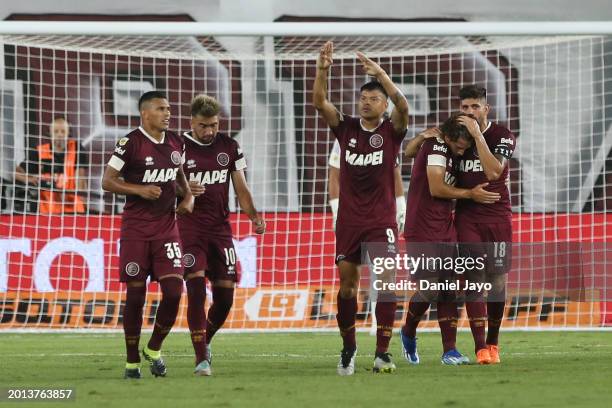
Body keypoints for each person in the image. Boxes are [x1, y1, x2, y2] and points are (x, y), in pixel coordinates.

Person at [313, 40, 409, 375]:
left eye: (373, 98)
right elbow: (320, 102)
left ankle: (382, 352)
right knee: (348, 286)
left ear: (384, 105)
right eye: (363, 98)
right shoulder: (347, 128)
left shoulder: (392, 131)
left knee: (386, 283)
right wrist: (322, 70)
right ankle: (348, 347)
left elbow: (404, 105)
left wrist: (380, 74)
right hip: (350, 221)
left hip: (381, 220)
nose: (366, 102)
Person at [101, 91, 194, 379]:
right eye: (160, 108)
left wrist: (188, 197)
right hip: (136, 232)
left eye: (168, 108)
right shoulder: (130, 144)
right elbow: (107, 181)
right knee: (136, 297)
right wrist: (140, 189)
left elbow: (178, 177)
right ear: (145, 114)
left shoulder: (176, 142)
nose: (168, 113)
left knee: (174, 292)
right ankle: (132, 362)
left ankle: (153, 348)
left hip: (167, 230)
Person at [400, 114, 500, 365]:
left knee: (448, 288)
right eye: (458, 146)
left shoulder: (453, 151)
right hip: (421, 227)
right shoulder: (437, 146)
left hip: (445, 226)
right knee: (431, 288)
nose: (461, 151)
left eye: (464, 148)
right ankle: (408, 329)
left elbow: (409, 152)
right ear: (447, 138)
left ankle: (450, 351)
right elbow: (436, 187)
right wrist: (470, 194)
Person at [178, 94, 265, 376]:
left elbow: (241, 188)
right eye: (203, 126)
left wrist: (254, 216)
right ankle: (201, 357)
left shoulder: (229, 146)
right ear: (192, 121)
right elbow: (162, 185)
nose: (209, 131)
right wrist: (184, 188)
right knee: (194, 291)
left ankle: (205, 340)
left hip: (220, 230)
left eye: (213, 125)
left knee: (225, 297)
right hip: (189, 228)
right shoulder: (176, 147)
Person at [454, 85, 516, 364]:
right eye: (464, 108)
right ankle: (480, 348)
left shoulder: (502, 135)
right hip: (468, 218)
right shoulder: (454, 137)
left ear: (485, 109)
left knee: (498, 281)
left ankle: (493, 342)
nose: (469, 113)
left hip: (498, 217)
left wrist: (478, 134)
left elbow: (493, 171)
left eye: (474, 107)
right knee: (475, 279)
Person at [14, 117, 88, 213]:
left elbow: (81, 181)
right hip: (46, 211)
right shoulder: (38, 152)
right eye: (56, 131)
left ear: (68, 133)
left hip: (73, 210)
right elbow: (16, 172)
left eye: (63, 131)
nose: (59, 135)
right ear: (50, 133)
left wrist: (83, 202)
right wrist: (30, 179)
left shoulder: (77, 149)